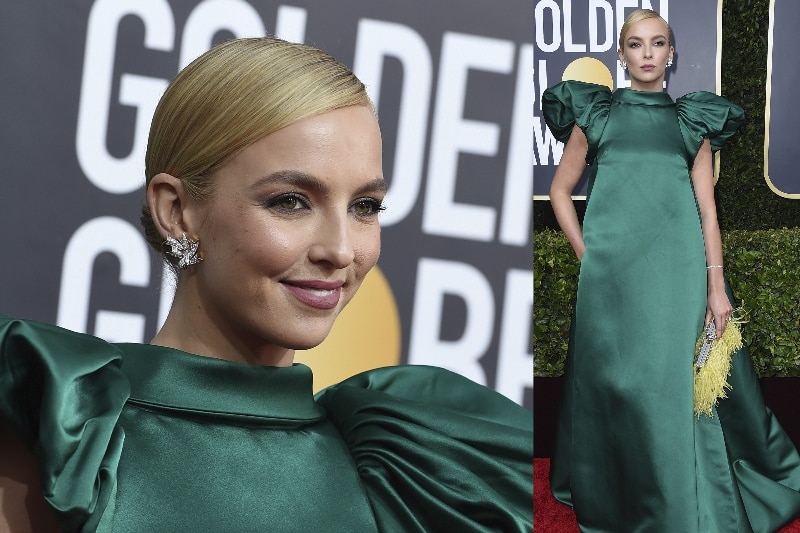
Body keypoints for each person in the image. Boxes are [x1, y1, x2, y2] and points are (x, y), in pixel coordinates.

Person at [0, 37, 533, 532]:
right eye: (290, 201)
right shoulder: (65, 433)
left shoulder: (409, 465)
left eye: (365, 207)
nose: (341, 250)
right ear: (177, 210)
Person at [543, 8, 800, 533]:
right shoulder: (597, 114)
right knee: (615, 385)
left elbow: (708, 210)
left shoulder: (690, 122)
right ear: (622, 54)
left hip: (676, 274)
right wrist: (586, 253)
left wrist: (716, 284)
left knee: (667, 390)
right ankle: (621, 496)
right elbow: (559, 191)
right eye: (635, 44)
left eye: (657, 43)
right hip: (610, 279)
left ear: (671, 53)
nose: (646, 54)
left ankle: (678, 503)